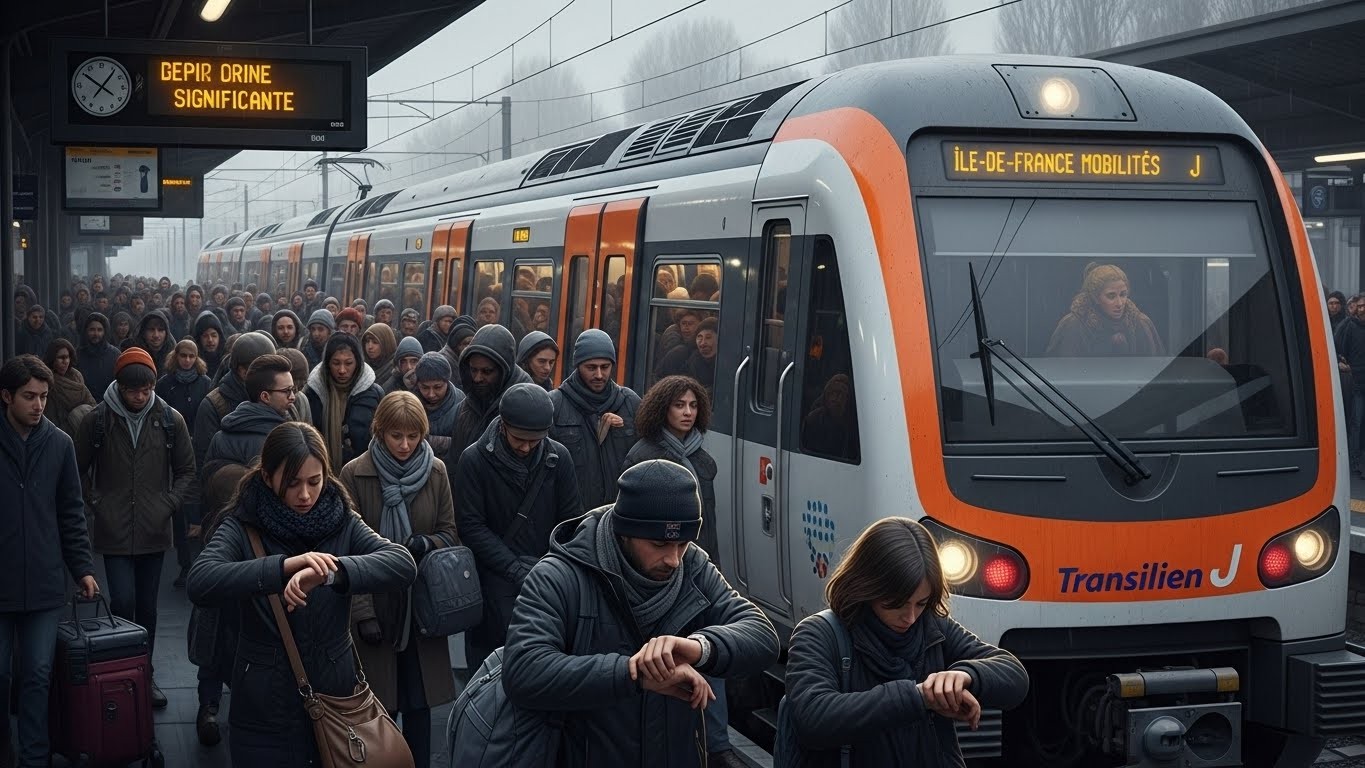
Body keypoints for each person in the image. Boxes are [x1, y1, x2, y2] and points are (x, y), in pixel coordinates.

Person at [501, 459, 779, 767]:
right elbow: (523, 671)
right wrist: (634, 675)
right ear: (625, 532)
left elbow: (762, 635)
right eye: (659, 544)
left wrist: (699, 647)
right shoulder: (559, 575)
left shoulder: (694, 567)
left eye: (683, 543)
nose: (674, 560)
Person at [186, 422, 417, 767]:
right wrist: (283, 568)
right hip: (263, 706)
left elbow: (401, 563)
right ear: (267, 476)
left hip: (336, 694)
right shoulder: (241, 524)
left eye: (314, 481)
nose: (305, 495)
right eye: (292, 483)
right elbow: (201, 580)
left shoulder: (342, 518)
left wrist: (328, 573)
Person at [782, 518, 1029, 767]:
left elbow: (1014, 675)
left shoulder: (933, 627)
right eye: (896, 604)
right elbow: (813, 718)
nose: (910, 617)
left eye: (921, 603)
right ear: (866, 587)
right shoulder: (819, 634)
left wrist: (965, 675)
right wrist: (918, 696)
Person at [340, 392, 459, 767]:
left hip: (421, 606)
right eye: (396, 436)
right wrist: (362, 614)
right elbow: (346, 553)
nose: (405, 445)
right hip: (376, 601)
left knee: (419, 704)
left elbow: (450, 533)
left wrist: (427, 542)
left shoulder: (436, 471)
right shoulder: (354, 473)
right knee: (380, 706)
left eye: (413, 436)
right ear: (379, 432)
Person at [620, 375, 735, 760]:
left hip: (696, 572)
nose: (687, 413)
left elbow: (710, 524)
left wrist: (711, 567)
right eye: (679, 406)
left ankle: (714, 745)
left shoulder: (704, 459)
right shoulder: (642, 455)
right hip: (656, 575)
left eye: (692, 406)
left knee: (704, 652)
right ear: (662, 409)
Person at [74, 348, 196, 710]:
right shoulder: (98, 420)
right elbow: (76, 469)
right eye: (132, 390)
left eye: (146, 390)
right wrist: (97, 501)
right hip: (113, 527)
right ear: (119, 386)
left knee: (147, 606)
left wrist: (168, 504)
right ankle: (122, 669)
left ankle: (145, 673)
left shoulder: (170, 420)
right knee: (123, 600)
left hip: (153, 527)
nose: (139, 397)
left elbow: (187, 469)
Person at [0, 355, 100, 768]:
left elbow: (71, 511)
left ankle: (35, 758)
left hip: (43, 582)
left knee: (38, 675)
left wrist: (83, 568)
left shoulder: (58, 443)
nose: (38, 405)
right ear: (6, 397)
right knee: (1, 676)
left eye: (43, 396)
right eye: (29, 396)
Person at [455, 383, 581, 666]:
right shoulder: (474, 460)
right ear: (502, 426)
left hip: (546, 576)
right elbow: (471, 527)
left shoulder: (559, 459)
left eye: (534, 441)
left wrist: (550, 564)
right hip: (493, 581)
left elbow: (571, 521)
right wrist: (513, 568)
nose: (526, 447)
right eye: (519, 439)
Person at [550, 329, 642, 509]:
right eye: (591, 368)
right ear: (577, 366)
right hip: (572, 515)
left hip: (619, 513)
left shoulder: (630, 403)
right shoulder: (555, 404)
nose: (599, 375)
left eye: (605, 367)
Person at [157, 339, 214, 588]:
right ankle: (185, 564)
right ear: (176, 356)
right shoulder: (165, 385)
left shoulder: (206, 384)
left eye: (192, 356)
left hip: (200, 451)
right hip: (172, 453)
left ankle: (200, 565)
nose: (187, 361)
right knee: (181, 510)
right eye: (183, 356)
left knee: (199, 509)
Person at [193, 331, 278, 480]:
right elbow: (204, 465)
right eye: (266, 371)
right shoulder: (214, 405)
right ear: (244, 371)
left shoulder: (280, 397)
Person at [445, 323, 532, 467]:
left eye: (487, 371)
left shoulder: (526, 404)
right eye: (473, 370)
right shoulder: (467, 406)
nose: (477, 378)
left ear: (504, 370)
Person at [1046, 263, 1165, 357]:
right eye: (1111, 296)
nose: (1119, 303)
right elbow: (1063, 371)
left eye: (1123, 294)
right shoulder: (1073, 326)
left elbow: (1156, 370)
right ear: (1095, 297)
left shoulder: (1141, 323)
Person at [306, 333, 384, 473]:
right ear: (327, 364)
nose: (342, 370)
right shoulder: (313, 393)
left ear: (358, 363)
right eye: (336, 363)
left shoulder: (373, 394)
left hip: (362, 472)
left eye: (348, 363)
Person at [413, 352, 464, 462]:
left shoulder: (462, 403)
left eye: (438, 387)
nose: (431, 394)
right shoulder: (410, 402)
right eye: (425, 388)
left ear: (447, 381)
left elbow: (462, 445)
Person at [43, 338, 96, 436]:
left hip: (85, 431)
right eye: (61, 358)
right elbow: (50, 418)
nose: (65, 361)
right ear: (52, 359)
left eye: (67, 357)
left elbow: (91, 403)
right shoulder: (48, 382)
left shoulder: (76, 376)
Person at [279, 347, 314, 424]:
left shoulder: (302, 400)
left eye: (301, 386)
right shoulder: (275, 402)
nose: (294, 395)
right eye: (290, 389)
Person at [135, 309, 175, 375]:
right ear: (143, 332)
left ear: (167, 333)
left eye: (160, 330)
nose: (156, 335)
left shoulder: (174, 356)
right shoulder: (134, 353)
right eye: (151, 329)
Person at [363, 322, 399, 389]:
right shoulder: (362, 369)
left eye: (375, 342)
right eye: (367, 341)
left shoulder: (396, 371)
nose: (370, 346)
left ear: (386, 344)